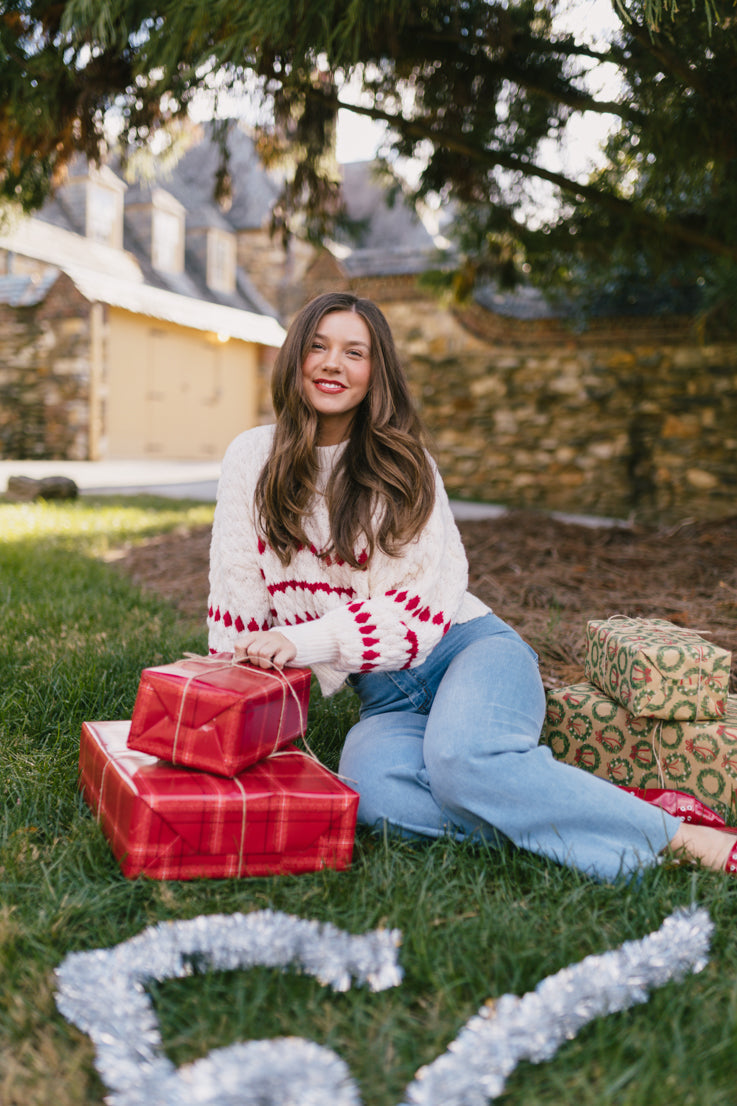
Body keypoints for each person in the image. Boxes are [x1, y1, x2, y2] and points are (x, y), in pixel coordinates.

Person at [207, 291, 737, 883]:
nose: (333, 363)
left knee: (462, 763)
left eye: (354, 352)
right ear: (294, 357)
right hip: (384, 699)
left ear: (375, 373)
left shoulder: (404, 466)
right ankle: (597, 809)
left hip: (467, 651)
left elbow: (413, 610)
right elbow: (239, 599)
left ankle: (684, 839)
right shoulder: (251, 457)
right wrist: (224, 703)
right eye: (318, 346)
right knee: (376, 799)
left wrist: (300, 641)